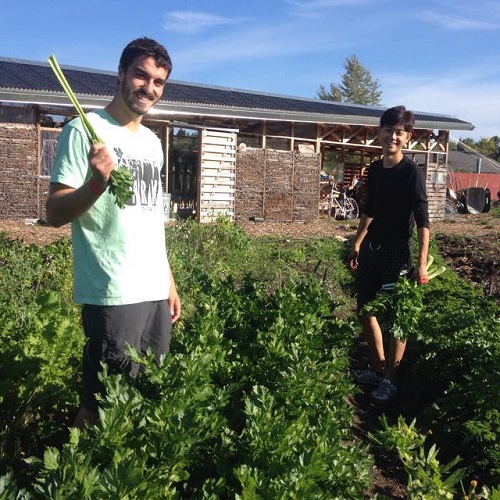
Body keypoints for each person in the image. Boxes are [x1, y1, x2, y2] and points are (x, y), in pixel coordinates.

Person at [46, 37, 181, 427]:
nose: (149, 87)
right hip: (114, 289)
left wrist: (168, 281)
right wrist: (95, 184)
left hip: (153, 289)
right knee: (101, 404)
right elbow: (54, 213)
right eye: (141, 74)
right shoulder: (84, 131)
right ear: (121, 73)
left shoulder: (154, 144)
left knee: (144, 392)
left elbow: (150, 219)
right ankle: (71, 480)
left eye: (159, 81)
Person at [347, 105, 430, 404]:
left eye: (399, 132)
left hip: (398, 251)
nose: (392, 136)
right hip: (373, 248)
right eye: (388, 130)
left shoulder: (412, 173)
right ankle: (379, 367)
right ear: (378, 132)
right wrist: (357, 242)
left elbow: (423, 220)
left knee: (398, 318)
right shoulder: (374, 170)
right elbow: (370, 209)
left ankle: (391, 381)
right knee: (365, 310)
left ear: (407, 137)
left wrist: (421, 264)